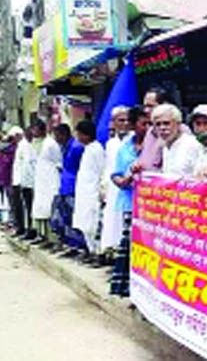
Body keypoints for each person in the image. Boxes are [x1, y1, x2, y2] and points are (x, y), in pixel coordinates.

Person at [110, 106, 150, 297]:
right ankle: (126, 285)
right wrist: (124, 180)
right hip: (129, 201)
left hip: (151, 205)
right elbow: (115, 175)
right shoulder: (125, 147)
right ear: (134, 125)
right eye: (144, 124)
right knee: (130, 243)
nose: (148, 127)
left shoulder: (156, 145)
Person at [70, 120, 106, 264]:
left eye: (79, 133)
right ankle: (91, 251)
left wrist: (100, 190)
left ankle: (99, 253)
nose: (77, 137)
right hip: (84, 192)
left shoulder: (97, 149)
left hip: (92, 193)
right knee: (85, 224)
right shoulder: (88, 149)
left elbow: (101, 171)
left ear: (86, 134)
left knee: (93, 224)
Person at [137, 87, 191, 171]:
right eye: (145, 106)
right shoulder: (150, 132)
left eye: (150, 106)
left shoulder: (181, 131)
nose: (146, 110)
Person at [101, 106, 131, 257]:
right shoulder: (111, 143)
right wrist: (103, 188)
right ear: (114, 122)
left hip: (127, 188)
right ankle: (112, 254)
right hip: (112, 189)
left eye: (127, 120)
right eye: (121, 120)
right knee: (112, 221)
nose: (125, 123)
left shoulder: (133, 141)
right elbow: (108, 168)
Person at [53, 124, 84, 255]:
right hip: (65, 186)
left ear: (63, 134)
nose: (56, 138)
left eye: (57, 135)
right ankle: (70, 244)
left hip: (73, 186)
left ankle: (78, 246)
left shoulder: (76, 147)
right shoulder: (65, 147)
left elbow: (80, 168)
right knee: (64, 217)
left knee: (73, 217)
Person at [32, 122, 64, 247]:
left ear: (42, 130)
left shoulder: (51, 144)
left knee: (50, 209)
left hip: (50, 181)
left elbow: (59, 163)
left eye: (35, 129)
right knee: (40, 209)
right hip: (41, 182)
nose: (33, 132)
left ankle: (54, 240)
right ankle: (43, 236)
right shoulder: (38, 143)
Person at [152, 103, 198, 176]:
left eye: (166, 123)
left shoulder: (192, 144)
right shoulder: (165, 146)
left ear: (178, 124)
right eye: (158, 124)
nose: (162, 128)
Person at [12, 126, 37, 238]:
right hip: (21, 180)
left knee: (29, 207)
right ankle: (23, 228)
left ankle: (29, 230)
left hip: (29, 181)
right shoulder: (22, 145)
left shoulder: (29, 146)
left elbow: (29, 165)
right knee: (23, 207)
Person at [0, 128, 19, 230]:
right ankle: (13, 222)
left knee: (11, 202)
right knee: (12, 203)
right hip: (9, 179)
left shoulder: (2, 151)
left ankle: (12, 222)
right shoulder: (13, 150)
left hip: (5, 179)